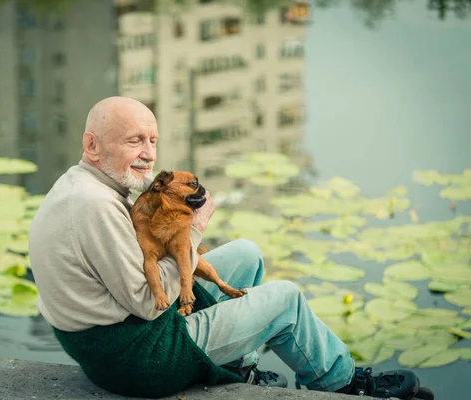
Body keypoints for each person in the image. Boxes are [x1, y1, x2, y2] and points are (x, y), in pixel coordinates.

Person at [29, 96, 433, 399]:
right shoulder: (95, 206)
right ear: (93, 144)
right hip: (137, 355)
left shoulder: (81, 185)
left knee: (246, 252)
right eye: (135, 141)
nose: (149, 154)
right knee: (285, 299)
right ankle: (340, 384)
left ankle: (242, 368)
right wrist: (195, 230)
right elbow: (145, 301)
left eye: (152, 140)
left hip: (116, 342)